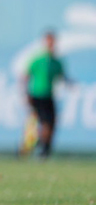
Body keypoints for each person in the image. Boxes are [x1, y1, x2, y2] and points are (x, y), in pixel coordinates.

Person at [21, 30, 70, 159]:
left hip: (49, 96)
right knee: (42, 122)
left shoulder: (56, 62)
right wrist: (26, 93)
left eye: (52, 41)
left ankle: (43, 148)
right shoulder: (38, 60)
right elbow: (26, 75)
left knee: (51, 123)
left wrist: (70, 83)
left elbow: (62, 76)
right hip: (37, 94)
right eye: (48, 41)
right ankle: (36, 147)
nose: (51, 44)